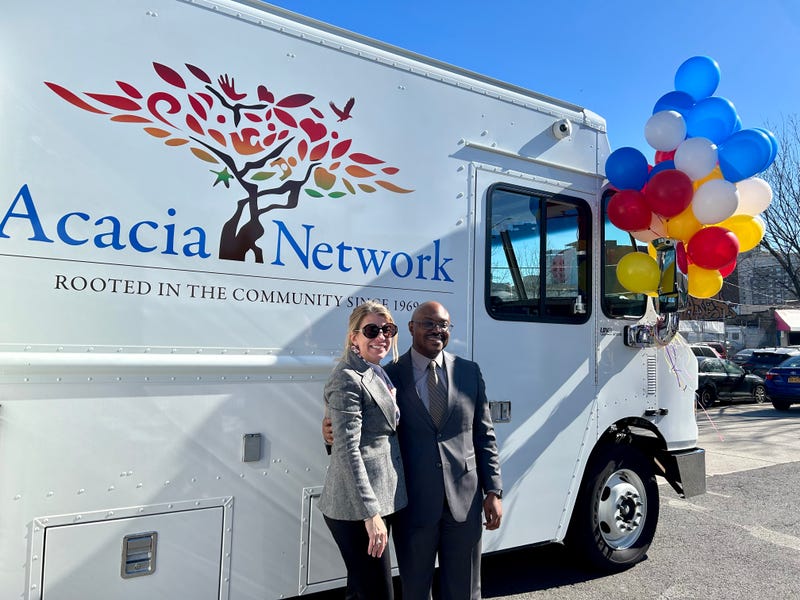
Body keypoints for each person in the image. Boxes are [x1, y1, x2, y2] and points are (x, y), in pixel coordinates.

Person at [323, 300, 503, 600]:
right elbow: (362, 431)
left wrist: (493, 490)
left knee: (465, 591)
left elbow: (484, 434)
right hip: (413, 506)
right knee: (414, 591)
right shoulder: (389, 374)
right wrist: (329, 432)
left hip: (465, 503)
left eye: (443, 324)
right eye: (428, 323)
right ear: (411, 328)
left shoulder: (469, 372)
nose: (437, 330)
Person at [317, 301, 407, 600]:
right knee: (377, 593)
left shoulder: (378, 372)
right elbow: (347, 451)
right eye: (371, 330)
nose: (381, 336)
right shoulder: (347, 377)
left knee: (362, 590)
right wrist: (370, 514)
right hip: (357, 507)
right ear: (353, 337)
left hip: (379, 495)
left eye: (387, 329)